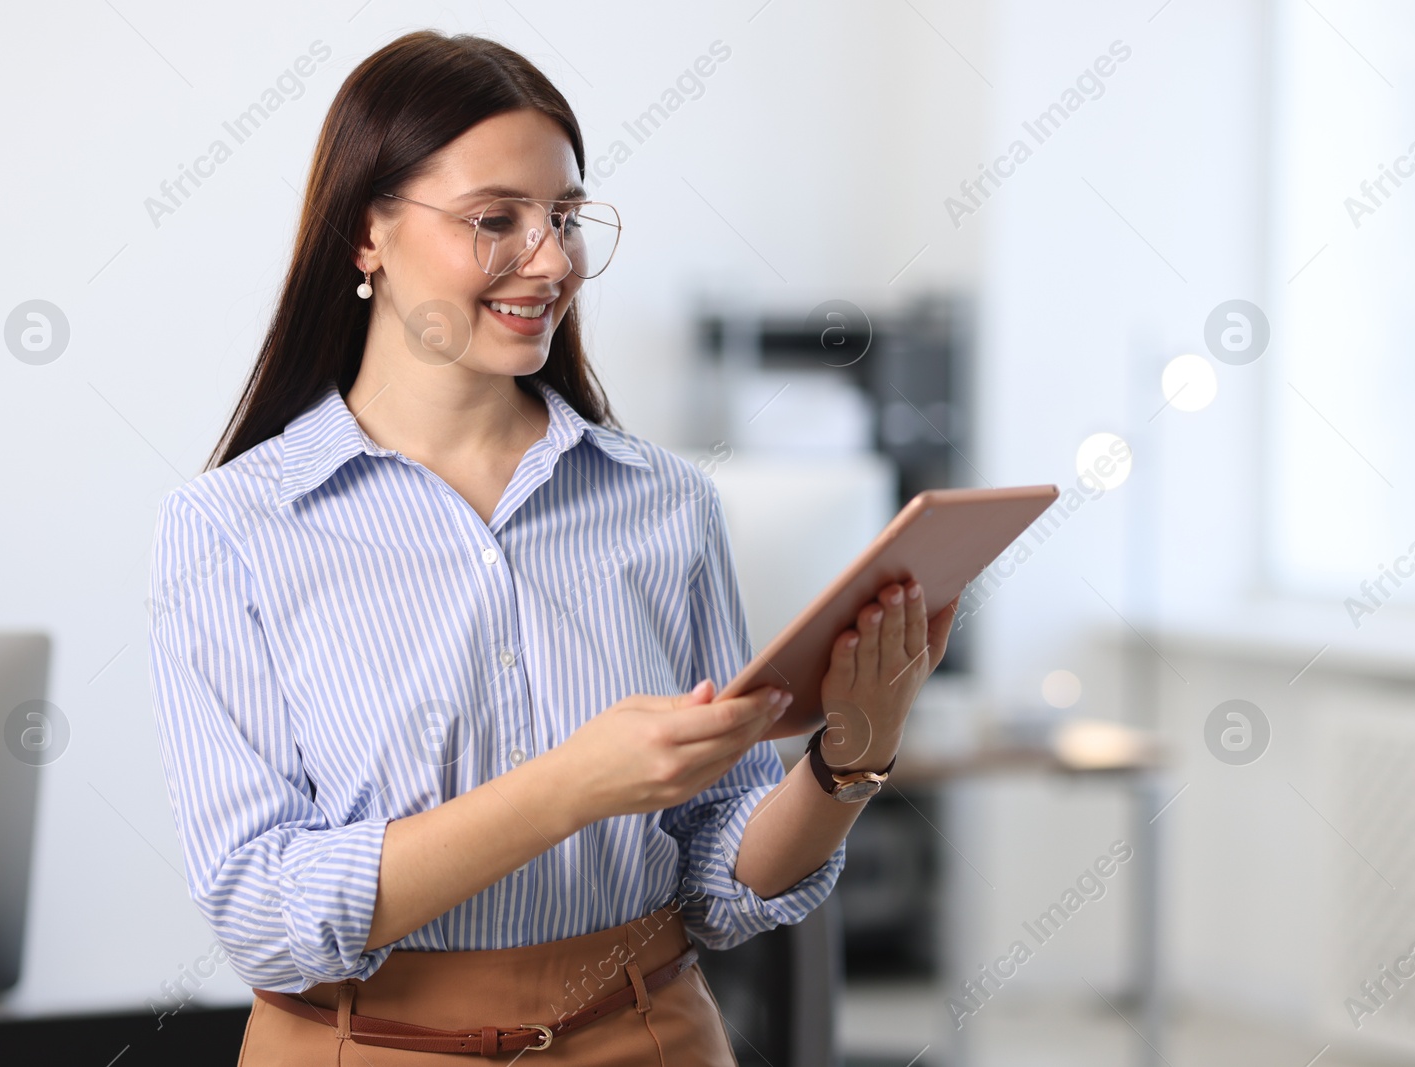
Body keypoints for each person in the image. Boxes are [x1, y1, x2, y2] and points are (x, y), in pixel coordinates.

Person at [146, 29, 957, 1066]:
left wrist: (851, 754)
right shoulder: (230, 528)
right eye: (497, 220)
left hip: (648, 1034)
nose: (552, 259)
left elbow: (722, 870)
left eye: (565, 218)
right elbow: (261, 908)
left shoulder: (665, 501)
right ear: (367, 234)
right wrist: (571, 783)